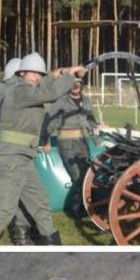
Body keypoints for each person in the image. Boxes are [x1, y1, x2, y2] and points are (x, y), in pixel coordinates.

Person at [0, 52, 85, 245]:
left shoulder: (24, 89)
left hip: (23, 158)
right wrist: (69, 76)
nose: (37, 77)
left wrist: (58, 73)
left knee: (41, 201)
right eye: (33, 73)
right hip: (13, 159)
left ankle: (51, 243)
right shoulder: (19, 91)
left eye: (40, 74)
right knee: (5, 211)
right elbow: (48, 93)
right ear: (22, 72)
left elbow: (42, 87)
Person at [0, 56, 38, 246]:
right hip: (15, 149)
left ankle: (25, 227)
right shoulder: (10, 91)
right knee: (15, 194)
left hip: (18, 148)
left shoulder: (4, 90)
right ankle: (20, 231)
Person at [43, 78, 102, 217]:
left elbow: (91, 121)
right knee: (77, 176)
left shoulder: (86, 101)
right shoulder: (60, 101)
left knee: (87, 174)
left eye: (78, 83)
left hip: (83, 141)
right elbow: (49, 120)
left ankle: (86, 205)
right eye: (72, 83)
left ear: (81, 85)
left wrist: (97, 141)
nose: (76, 86)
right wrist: (45, 141)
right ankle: (76, 209)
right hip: (66, 142)